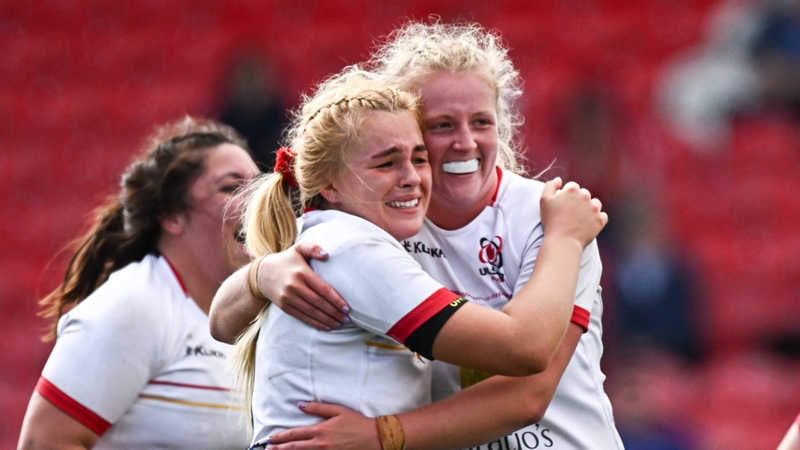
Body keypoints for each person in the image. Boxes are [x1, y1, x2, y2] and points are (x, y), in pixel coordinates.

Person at [211, 21, 623, 450]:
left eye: (481, 122)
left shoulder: (555, 219)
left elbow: (528, 391)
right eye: (442, 125)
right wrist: (261, 274)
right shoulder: (374, 226)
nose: (465, 141)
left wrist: (382, 435)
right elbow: (222, 323)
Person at [18, 117, 259, 449]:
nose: (258, 202)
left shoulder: (252, 321)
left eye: (259, 188)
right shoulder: (134, 305)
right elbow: (42, 443)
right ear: (173, 215)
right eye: (232, 187)